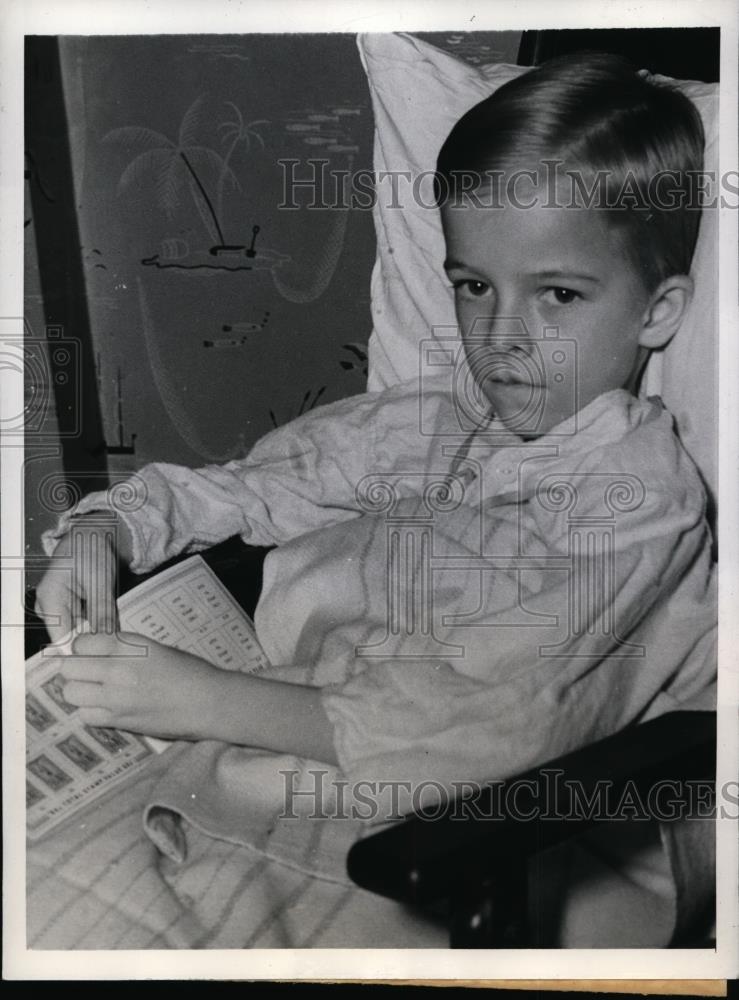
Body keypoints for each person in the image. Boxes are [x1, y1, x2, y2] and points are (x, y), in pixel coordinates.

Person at [32, 53, 716, 948]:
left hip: (502, 845)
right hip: (292, 770)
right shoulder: (434, 421)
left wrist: (212, 703)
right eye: (474, 286)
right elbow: (259, 486)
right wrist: (105, 527)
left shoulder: (637, 503)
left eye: (557, 294)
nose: (502, 337)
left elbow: (500, 722)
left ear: (658, 312)